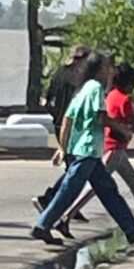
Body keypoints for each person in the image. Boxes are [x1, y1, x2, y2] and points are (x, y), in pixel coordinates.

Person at [30, 51, 134, 247]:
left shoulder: (81, 89)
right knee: (69, 189)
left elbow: (67, 118)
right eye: (108, 67)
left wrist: (63, 147)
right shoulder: (95, 89)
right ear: (100, 70)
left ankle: (131, 229)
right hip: (87, 149)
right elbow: (101, 116)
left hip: (82, 149)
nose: (111, 71)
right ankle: (42, 225)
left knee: (108, 190)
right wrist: (123, 130)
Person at [55, 62, 134, 239]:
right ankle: (66, 217)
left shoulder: (111, 95)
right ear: (128, 83)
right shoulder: (124, 99)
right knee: (95, 188)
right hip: (114, 150)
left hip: (114, 149)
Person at [33, 44, 91, 215]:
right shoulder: (76, 77)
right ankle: (50, 198)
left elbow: (45, 100)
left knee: (72, 167)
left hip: (59, 123)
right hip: (71, 125)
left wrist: (55, 116)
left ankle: (65, 202)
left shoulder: (57, 73)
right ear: (80, 59)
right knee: (76, 168)